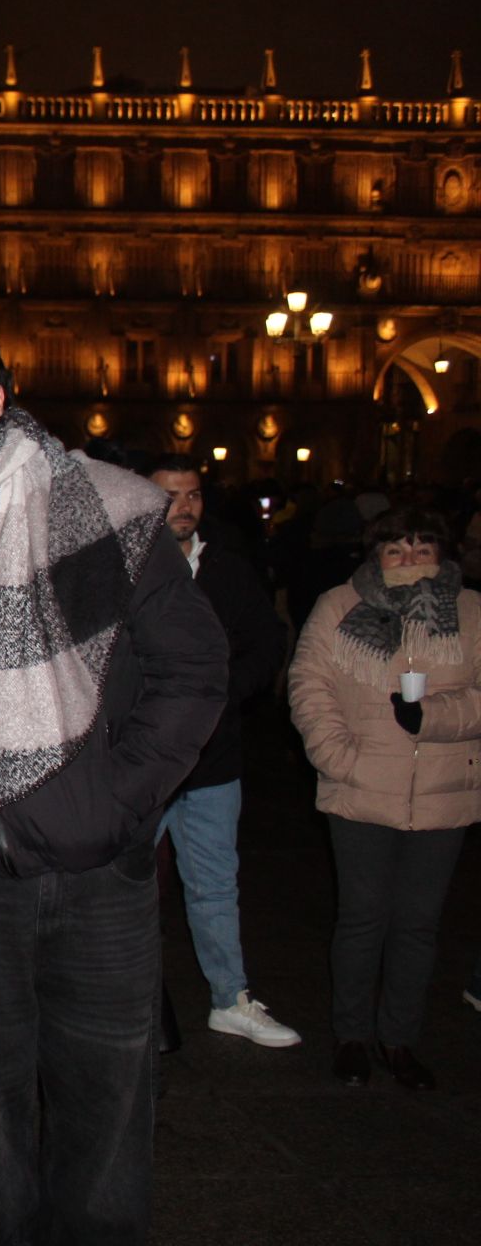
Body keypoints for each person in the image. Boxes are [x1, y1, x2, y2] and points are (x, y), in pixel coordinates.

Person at [0, 317, 225, 1244]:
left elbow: (195, 668)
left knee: (106, 1108)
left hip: (101, 876)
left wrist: (120, 799)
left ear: (2, 394)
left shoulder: (110, 505)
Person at [288, 507, 480, 1091]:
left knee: (419, 924)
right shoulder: (339, 605)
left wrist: (435, 717)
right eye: (396, 549)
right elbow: (308, 683)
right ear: (376, 555)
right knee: (363, 918)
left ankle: (399, 1040)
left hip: (445, 792)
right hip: (361, 786)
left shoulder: (471, 611)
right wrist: (338, 757)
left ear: (443, 556)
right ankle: (351, 1036)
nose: (409, 560)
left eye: (423, 549)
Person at [144, 455, 299, 1048]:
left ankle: (228, 997)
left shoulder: (228, 571)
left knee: (214, 883)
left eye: (193, 495)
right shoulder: (120, 566)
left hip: (213, 760)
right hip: (144, 761)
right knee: (125, 885)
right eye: (171, 495)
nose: (184, 507)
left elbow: (267, 642)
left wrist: (223, 696)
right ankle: (131, 1002)